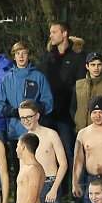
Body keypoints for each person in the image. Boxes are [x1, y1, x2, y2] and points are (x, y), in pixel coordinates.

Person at [41, 21, 86, 175]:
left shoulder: (78, 57)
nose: (51, 36)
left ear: (64, 34)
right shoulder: (48, 57)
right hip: (48, 114)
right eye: (50, 32)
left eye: (54, 32)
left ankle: (75, 187)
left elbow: (80, 86)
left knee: (70, 153)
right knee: (48, 154)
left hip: (67, 115)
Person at [0, 42, 54, 145]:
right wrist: (14, 112)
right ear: (14, 57)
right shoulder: (6, 79)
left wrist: (33, 111)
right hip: (14, 133)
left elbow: (48, 104)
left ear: (28, 55)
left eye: (24, 53)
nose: (21, 56)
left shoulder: (39, 77)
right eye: (18, 53)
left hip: (35, 133)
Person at [73, 52, 102, 131]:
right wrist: (77, 121)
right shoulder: (78, 84)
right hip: (80, 130)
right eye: (93, 65)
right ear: (87, 66)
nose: (96, 68)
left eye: (99, 65)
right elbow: (73, 107)